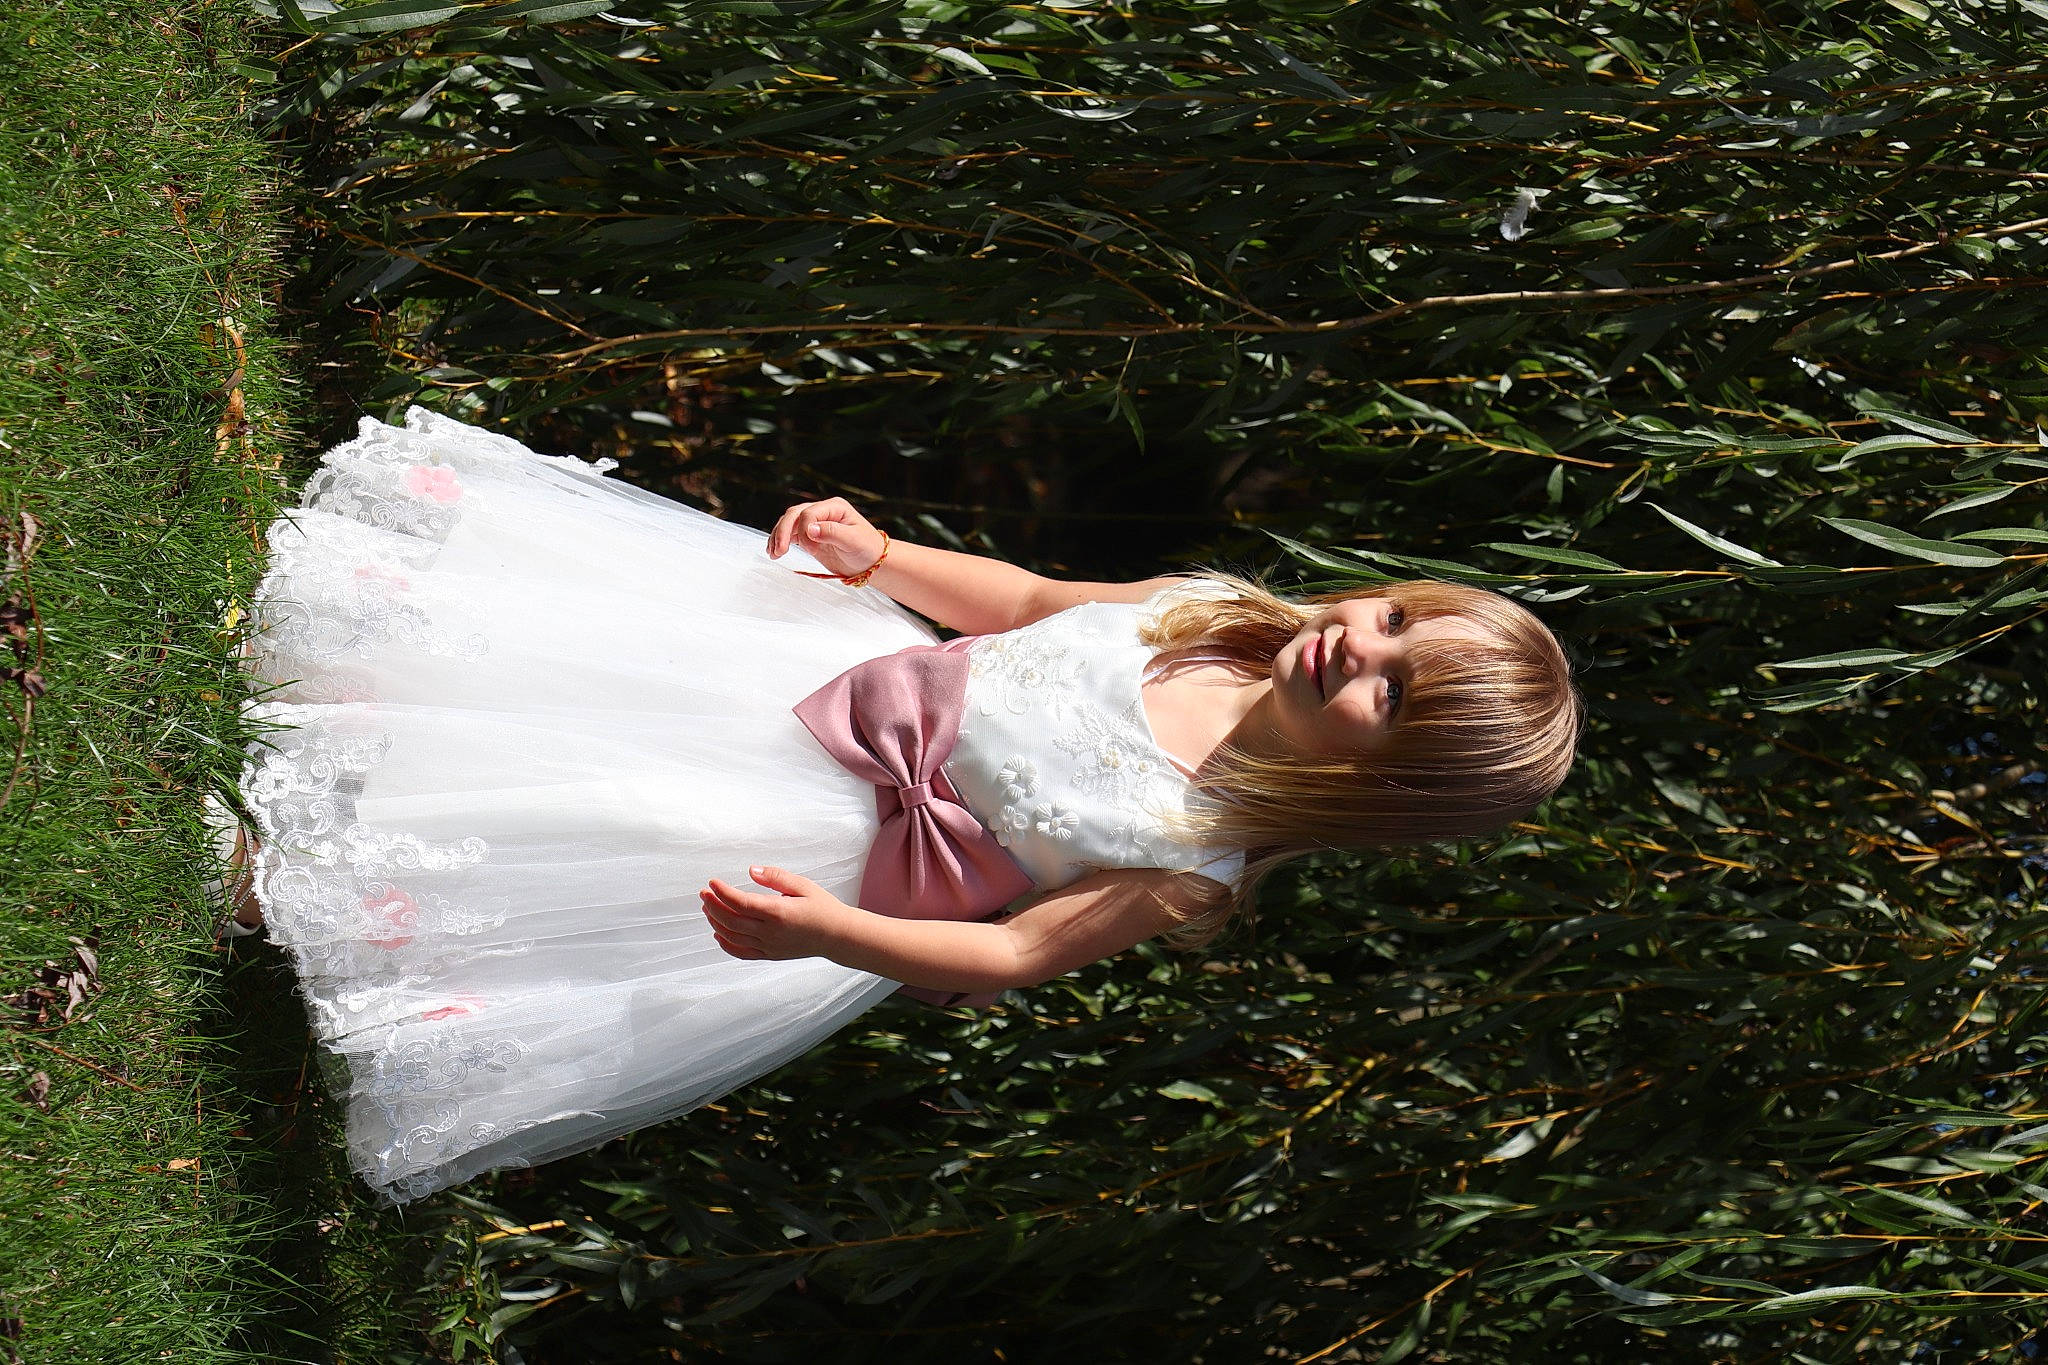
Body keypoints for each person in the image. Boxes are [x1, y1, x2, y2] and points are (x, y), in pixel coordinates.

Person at [204, 405, 1581, 1207]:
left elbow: (1012, 954)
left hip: (827, 854)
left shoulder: (1195, 854)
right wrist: (883, 558)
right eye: (1394, 621)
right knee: (573, 702)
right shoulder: (1199, 614)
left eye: (1392, 695)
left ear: (1382, 786)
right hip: (803, 690)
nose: (1358, 649)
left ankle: (291, 882)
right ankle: (336, 707)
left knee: (594, 827)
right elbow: (1027, 601)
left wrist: (833, 935)